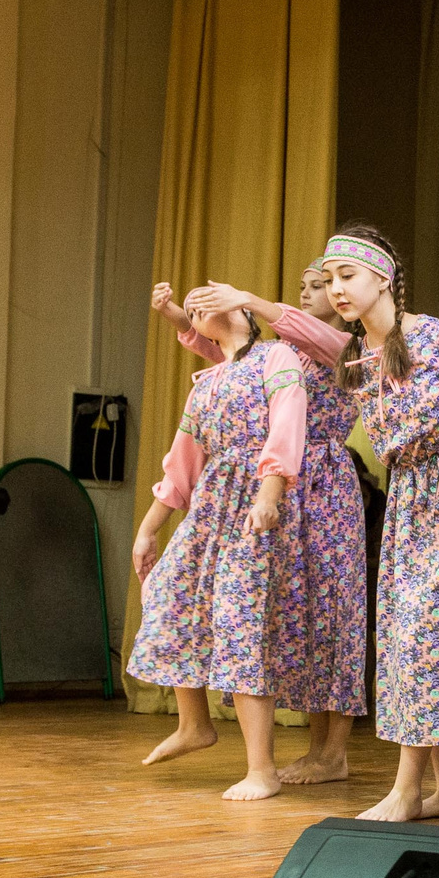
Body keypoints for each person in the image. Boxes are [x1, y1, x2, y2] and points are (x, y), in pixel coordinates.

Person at [309, 225, 439, 821]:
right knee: (411, 644)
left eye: (347, 276)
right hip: (408, 503)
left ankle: (405, 790)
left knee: (430, 637)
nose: (338, 290)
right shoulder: (354, 360)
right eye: (329, 281)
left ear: (382, 277)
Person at [168, 264, 366, 783]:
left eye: (319, 286)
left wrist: (251, 299)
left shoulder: (344, 343)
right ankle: (310, 747)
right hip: (282, 482)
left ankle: (333, 752)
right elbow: (225, 359)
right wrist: (179, 318)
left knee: (332, 610)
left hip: (322, 482)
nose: (307, 294)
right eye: (303, 287)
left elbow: (310, 336)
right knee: (295, 614)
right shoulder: (283, 352)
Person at [127, 300, 307, 800]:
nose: (200, 306)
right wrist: (148, 530)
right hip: (211, 507)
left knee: (241, 621)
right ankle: (194, 725)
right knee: (168, 594)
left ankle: (261, 768)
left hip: (256, 502)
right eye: (192, 306)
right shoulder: (205, 383)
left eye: (209, 299)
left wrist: (269, 494)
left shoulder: (278, 357)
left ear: (245, 314)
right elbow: (180, 467)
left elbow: (286, 430)